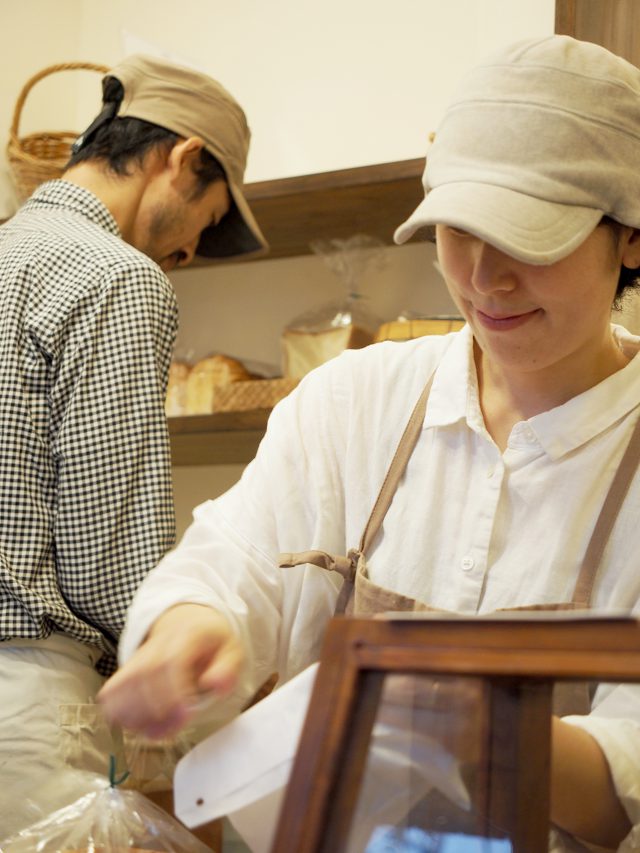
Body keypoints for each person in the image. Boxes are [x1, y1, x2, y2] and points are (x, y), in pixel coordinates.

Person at [99, 35, 640, 851]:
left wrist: (485, 719)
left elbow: (624, 792)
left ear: (630, 236)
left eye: (533, 237)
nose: (486, 276)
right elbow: (234, 559)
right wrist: (190, 628)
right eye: (459, 229)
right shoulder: (358, 399)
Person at [0, 54, 266, 839]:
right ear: (182, 158)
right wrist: (181, 653)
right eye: (206, 220)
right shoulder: (117, 277)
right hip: (27, 708)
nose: (185, 254)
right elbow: (106, 554)